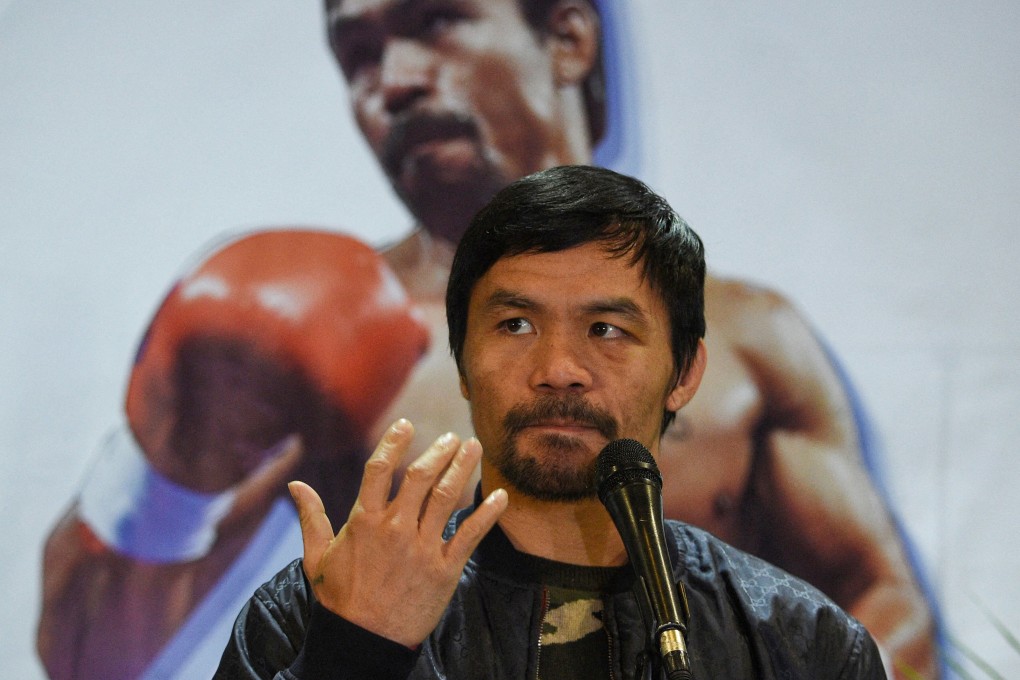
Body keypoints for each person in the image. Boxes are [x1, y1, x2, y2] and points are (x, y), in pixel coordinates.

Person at [38, 0, 936, 677]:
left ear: (569, 39)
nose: (391, 79)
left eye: (434, 23)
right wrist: (163, 478)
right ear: (466, 364)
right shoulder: (322, 327)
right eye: (357, 53)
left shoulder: (754, 338)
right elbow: (86, 649)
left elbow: (880, 597)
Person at [215, 165, 887, 679]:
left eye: (606, 328)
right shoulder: (324, 607)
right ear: (463, 364)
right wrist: (353, 655)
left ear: (684, 373)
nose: (560, 367)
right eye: (516, 324)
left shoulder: (801, 642)